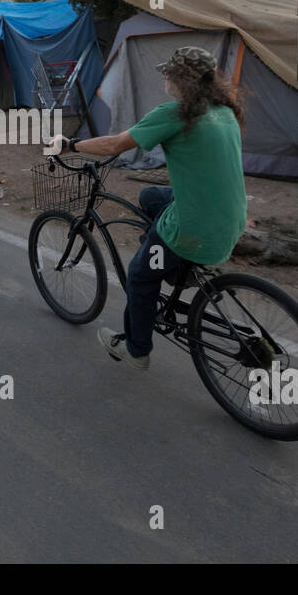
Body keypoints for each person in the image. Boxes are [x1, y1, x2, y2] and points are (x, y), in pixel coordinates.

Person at [45, 46, 247, 370]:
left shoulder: (175, 114)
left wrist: (70, 146)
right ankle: (174, 266)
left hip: (193, 227)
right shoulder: (225, 112)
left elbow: (115, 145)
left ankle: (137, 348)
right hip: (232, 217)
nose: (163, 76)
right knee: (150, 196)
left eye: (167, 72)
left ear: (180, 79)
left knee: (139, 276)